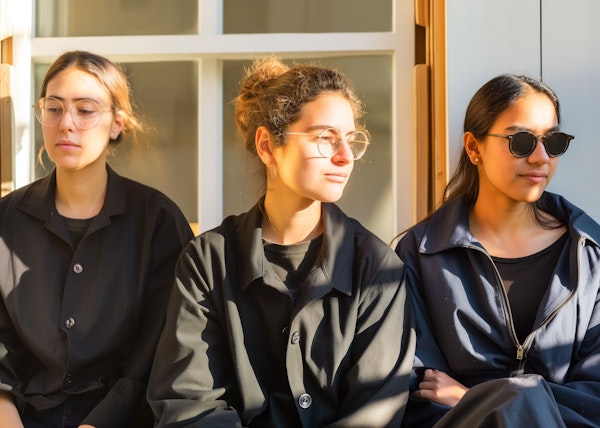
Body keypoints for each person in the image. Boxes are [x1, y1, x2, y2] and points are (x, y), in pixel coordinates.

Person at [147, 56, 415, 427]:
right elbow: (189, 403)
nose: (345, 157)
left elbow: (375, 412)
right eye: (325, 137)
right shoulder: (208, 261)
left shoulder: (377, 268)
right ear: (267, 146)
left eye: (351, 140)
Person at [0, 50, 194, 427]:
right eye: (53, 109)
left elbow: (162, 348)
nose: (66, 123)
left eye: (85, 110)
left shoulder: (157, 221)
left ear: (117, 123)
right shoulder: (6, 219)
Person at [395, 74, 600, 427]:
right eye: (521, 141)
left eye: (553, 142)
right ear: (474, 148)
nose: (540, 157)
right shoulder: (419, 254)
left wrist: (473, 399)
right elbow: (417, 390)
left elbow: (595, 398)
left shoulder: (588, 253)